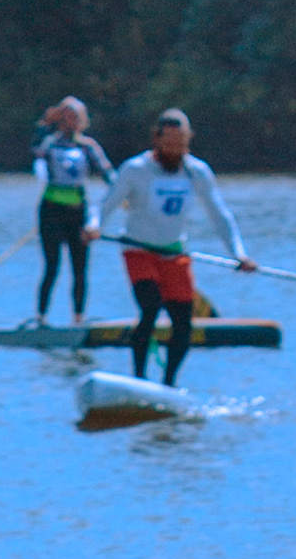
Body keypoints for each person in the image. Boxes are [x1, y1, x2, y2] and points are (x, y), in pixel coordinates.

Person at [97, 111, 255, 381]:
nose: (176, 150)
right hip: (139, 250)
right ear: (156, 139)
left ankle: (169, 383)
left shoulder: (197, 172)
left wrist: (239, 254)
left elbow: (220, 215)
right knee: (150, 307)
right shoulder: (135, 170)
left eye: (181, 143)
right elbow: (104, 205)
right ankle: (139, 378)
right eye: (170, 143)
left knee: (183, 322)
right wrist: (93, 226)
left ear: (189, 139)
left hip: (174, 253)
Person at [30, 99, 114, 322]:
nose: (70, 121)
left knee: (80, 269)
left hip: (78, 214)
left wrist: (122, 194)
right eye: (66, 116)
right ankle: (41, 317)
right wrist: (43, 124)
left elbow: (106, 172)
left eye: (75, 117)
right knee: (52, 266)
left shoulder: (87, 146)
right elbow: (35, 148)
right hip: (51, 212)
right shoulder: (50, 143)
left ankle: (78, 317)